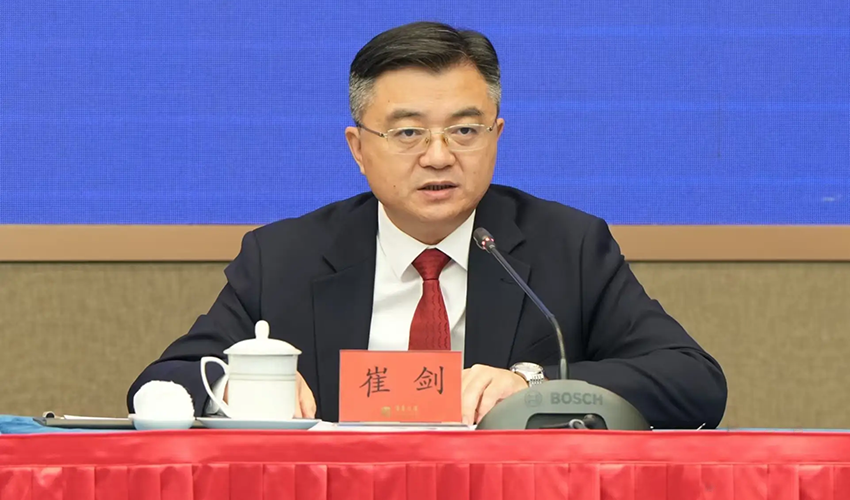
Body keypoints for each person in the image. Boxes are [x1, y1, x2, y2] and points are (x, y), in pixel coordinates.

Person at [128, 21, 727, 428]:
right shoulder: (284, 257)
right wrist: (235, 390)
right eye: (408, 132)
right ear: (358, 148)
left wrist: (533, 384)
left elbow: (693, 381)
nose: (439, 156)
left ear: (495, 136)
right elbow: (159, 385)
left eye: (464, 130)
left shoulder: (566, 247)